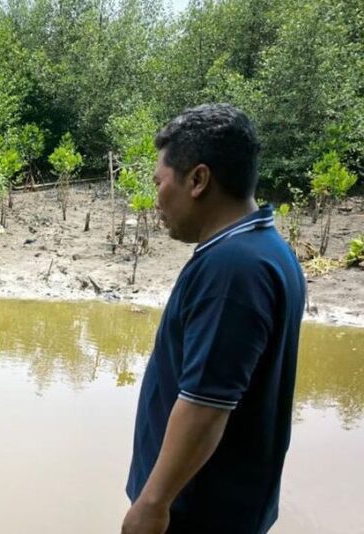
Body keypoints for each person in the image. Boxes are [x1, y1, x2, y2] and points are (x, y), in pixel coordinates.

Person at [121, 104, 306, 534]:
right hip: (222, 503)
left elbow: (206, 404)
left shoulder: (232, 268)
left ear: (198, 180)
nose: (156, 200)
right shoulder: (266, 249)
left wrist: (152, 504)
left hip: (194, 511)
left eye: (160, 183)